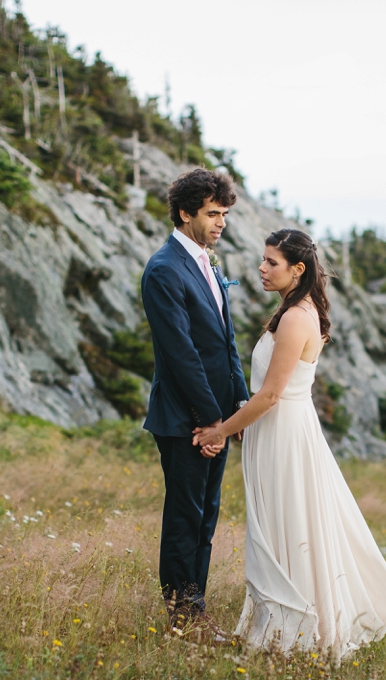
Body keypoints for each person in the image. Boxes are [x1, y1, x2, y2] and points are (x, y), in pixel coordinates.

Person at [194, 229, 386, 661]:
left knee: (287, 524)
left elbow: (271, 395)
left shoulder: (296, 317)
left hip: (284, 433)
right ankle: (285, 627)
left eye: (271, 263)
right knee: (283, 523)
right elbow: (268, 393)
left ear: (297, 269)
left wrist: (221, 430)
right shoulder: (295, 310)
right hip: (277, 427)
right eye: (262, 260)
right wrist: (245, 414)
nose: (261, 269)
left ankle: (292, 635)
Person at [141, 168, 248, 644]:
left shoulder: (206, 263)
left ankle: (195, 608)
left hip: (217, 418)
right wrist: (211, 421)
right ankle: (182, 617)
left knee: (206, 515)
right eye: (212, 213)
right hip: (188, 420)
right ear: (185, 213)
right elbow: (181, 355)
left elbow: (224, 345)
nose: (221, 222)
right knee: (185, 516)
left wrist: (239, 401)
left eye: (224, 213)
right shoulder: (164, 269)